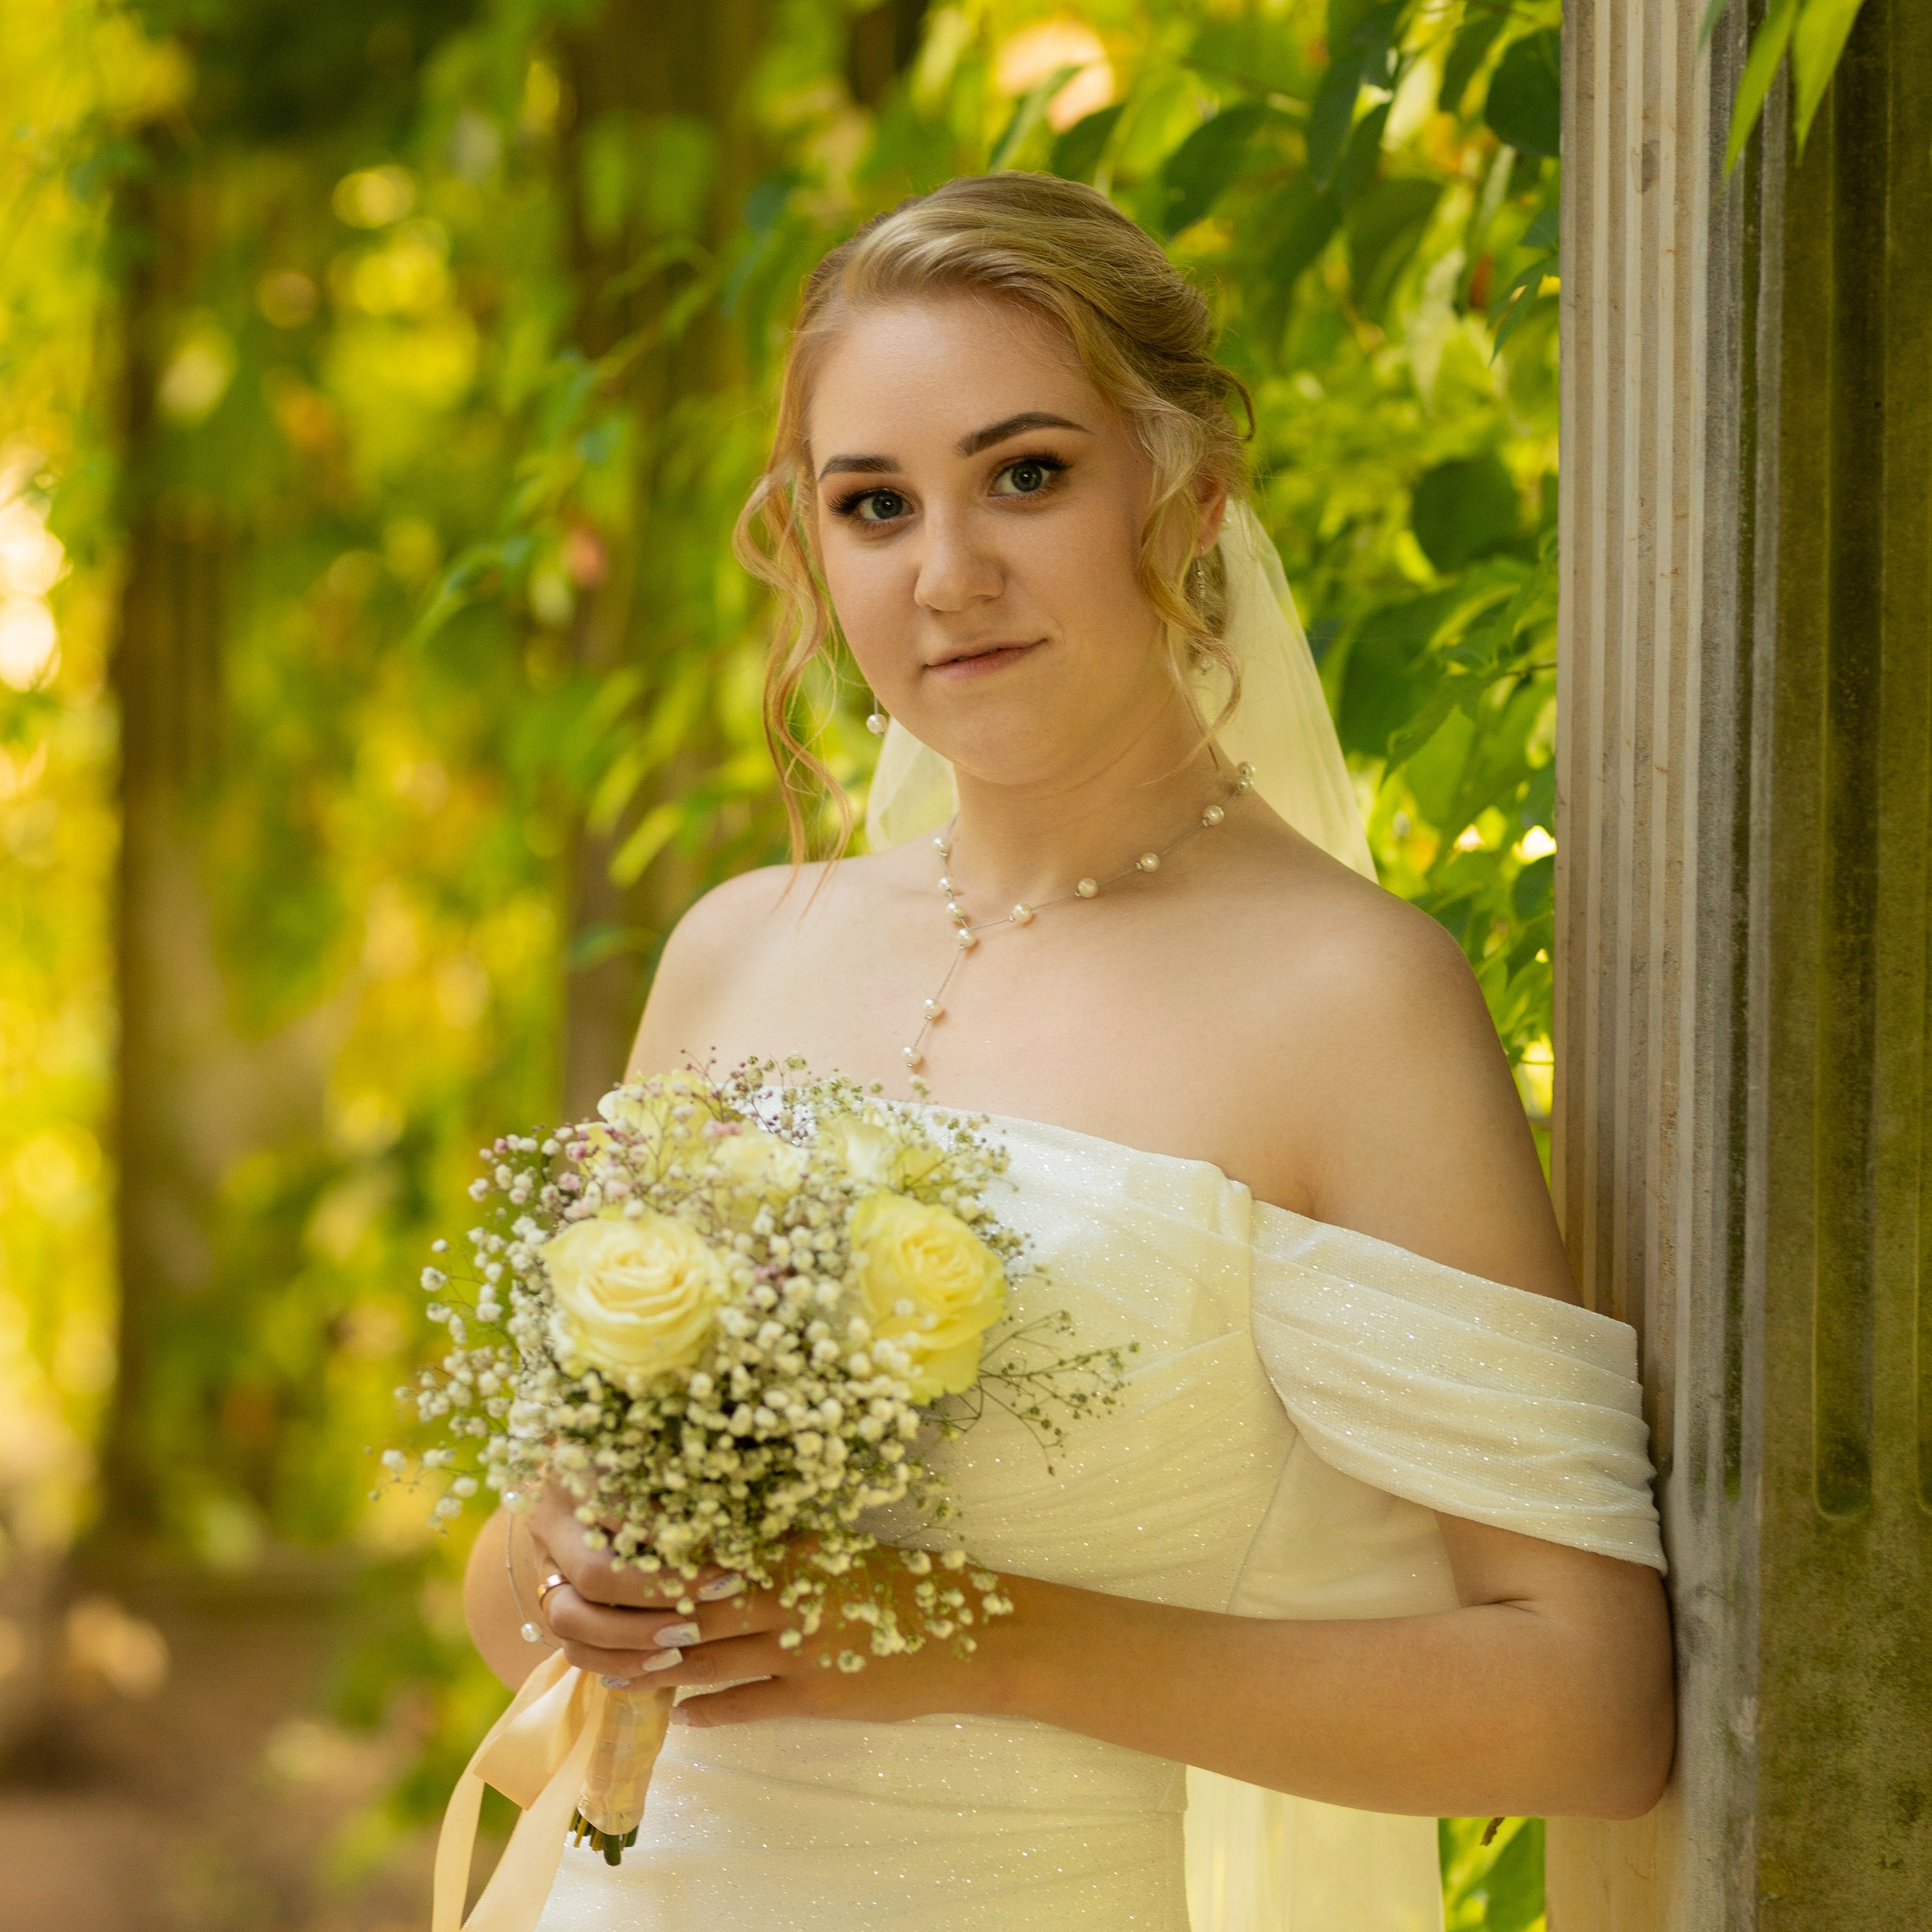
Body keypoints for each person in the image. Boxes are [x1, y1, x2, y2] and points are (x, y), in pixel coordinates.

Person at [461, 173, 1672, 1932]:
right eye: (872, 505)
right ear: (808, 545)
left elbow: (1587, 1702)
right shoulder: (732, 947)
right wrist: (568, 1579)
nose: (947, 576)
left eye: (1024, 473)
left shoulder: (1349, 996)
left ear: (1184, 486)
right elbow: (512, 1597)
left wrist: (979, 1638)